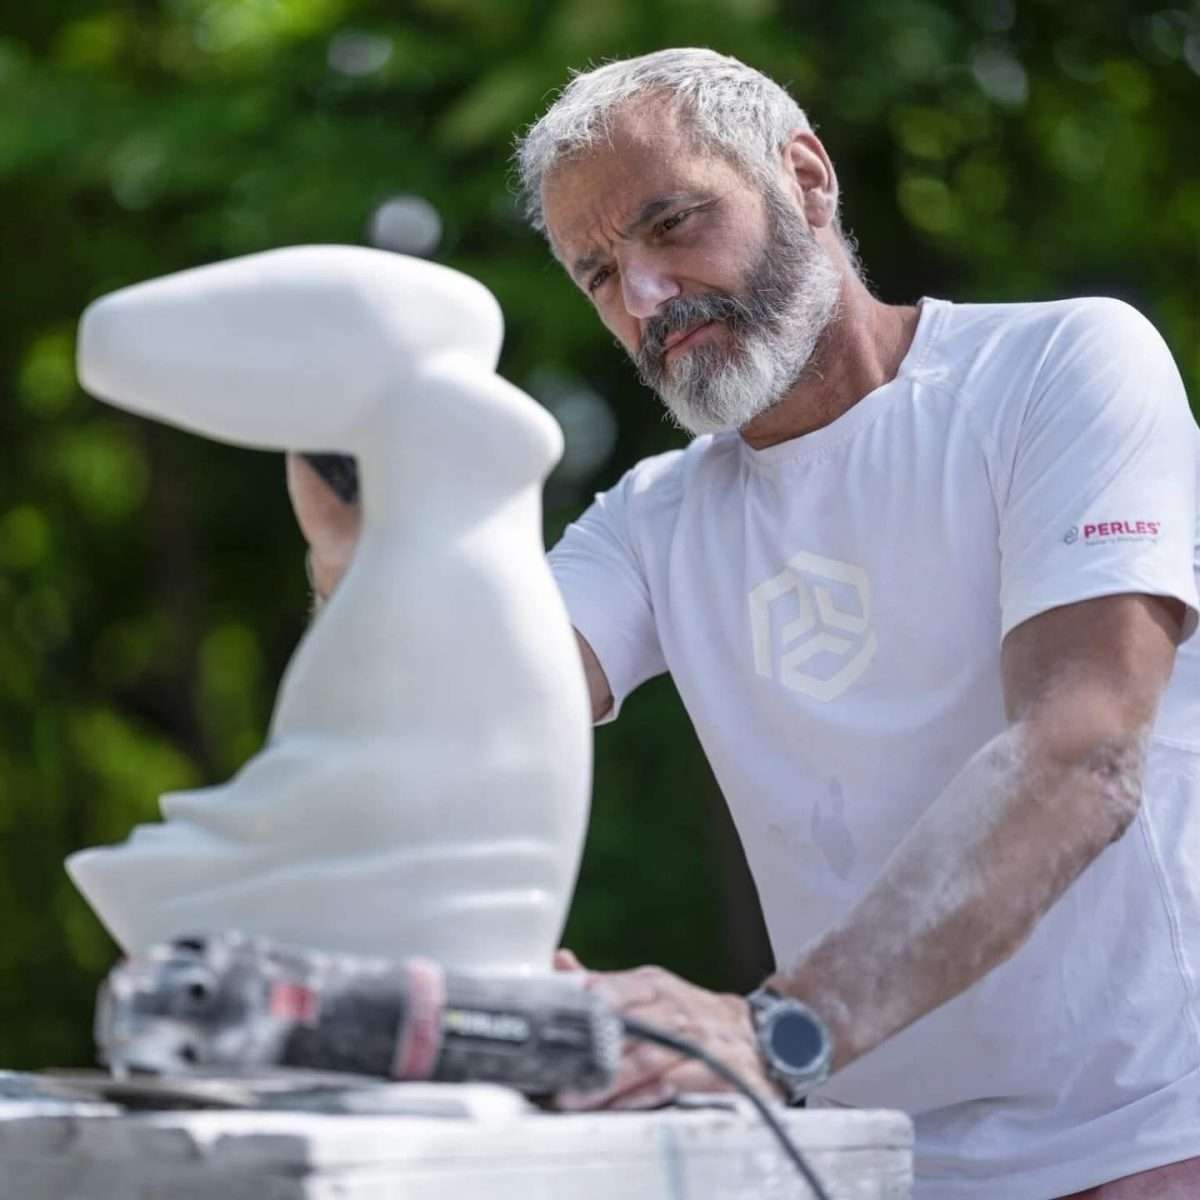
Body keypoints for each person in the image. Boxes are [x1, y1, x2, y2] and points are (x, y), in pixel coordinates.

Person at [288, 49, 1200, 1200]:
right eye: (598, 273)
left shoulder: (1056, 368)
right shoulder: (654, 522)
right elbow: (441, 730)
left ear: (805, 180)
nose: (644, 296)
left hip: (1149, 1142)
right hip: (870, 1167)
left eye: (673, 223)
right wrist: (355, 554)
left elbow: (1083, 752)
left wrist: (774, 1033)